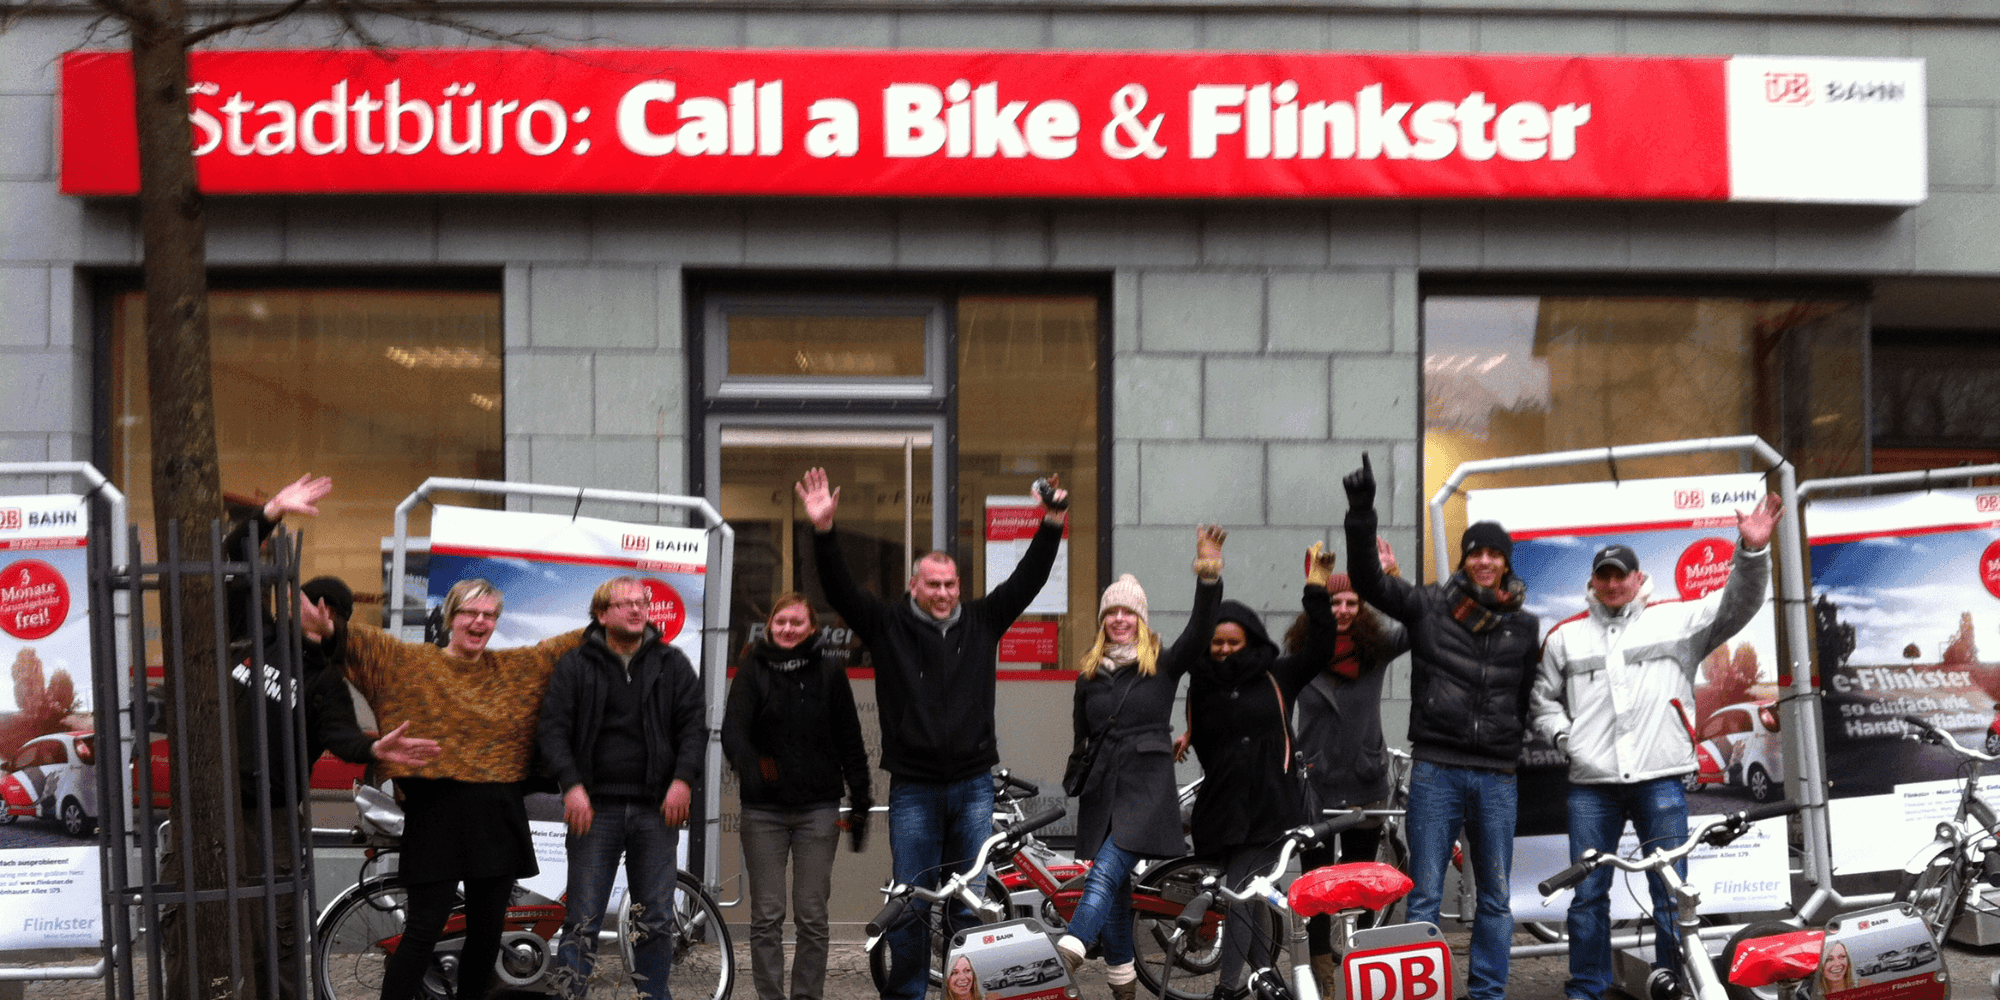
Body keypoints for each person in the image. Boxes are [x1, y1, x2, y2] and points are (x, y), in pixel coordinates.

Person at [793, 466, 1067, 1000]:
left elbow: (1029, 578)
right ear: (913, 586)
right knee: (911, 902)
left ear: (958, 587)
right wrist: (824, 531)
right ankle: (908, 994)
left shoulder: (984, 620)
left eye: (950, 584)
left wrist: (1052, 521)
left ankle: (969, 993)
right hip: (915, 788)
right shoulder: (887, 624)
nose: (942, 593)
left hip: (971, 786)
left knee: (971, 904)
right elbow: (841, 590)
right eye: (932, 584)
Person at [1530, 495, 1780, 1000]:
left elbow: (1738, 602)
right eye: (1605, 575)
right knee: (1588, 897)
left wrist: (1751, 553)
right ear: (1594, 581)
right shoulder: (1564, 638)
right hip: (1592, 787)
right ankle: (1587, 991)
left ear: (1639, 578)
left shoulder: (1678, 622)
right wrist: (1565, 738)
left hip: (1661, 779)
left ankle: (1675, 988)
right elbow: (1541, 703)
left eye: (1622, 574)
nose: (1613, 583)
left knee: (1672, 896)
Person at [222, 474, 442, 1000]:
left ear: (330, 618)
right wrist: (272, 510)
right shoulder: (258, 630)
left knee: (274, 926)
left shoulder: (326, 684)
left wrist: (372, 749)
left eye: (317, 604)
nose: (302, 604)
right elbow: (232, 565)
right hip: (210, 803)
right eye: (303, 596)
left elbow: (342, 736)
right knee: (208, 916)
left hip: (269, 813)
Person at [1341, 453, 1540, 1000]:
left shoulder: (1524, 626)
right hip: (1437, 771)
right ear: (1464, 558)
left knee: (1496, 897)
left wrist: (1511, 744)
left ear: (1505, 563)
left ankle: (1486, 994)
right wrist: (1362, 513)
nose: (1483, 561)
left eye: (1494, 554)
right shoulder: (1429, 605)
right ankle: (1418, 993)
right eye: (1475, 552)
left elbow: (1526, 695)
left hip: (1497, 775)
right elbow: (1368, 581)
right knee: (1425, 894)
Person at [339, 577, 587, 1000]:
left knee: (486, 937)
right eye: (470, 613)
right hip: (436, 817)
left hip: (497, 818)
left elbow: (567, 646)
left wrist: (618, 611)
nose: (479, 622)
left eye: (489, 615)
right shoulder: (408, 662)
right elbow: (342, 636)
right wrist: (323, 607)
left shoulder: (515, 669)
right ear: (450, 617)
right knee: (421, 933)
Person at [1053, 526, 1226, 999]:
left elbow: (1201, 629)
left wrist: (1208, 573)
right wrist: (1077, 778)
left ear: (1142, 619)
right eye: (1112, 612)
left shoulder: (1163, 665)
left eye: (1128, 612)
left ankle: (1071, 945)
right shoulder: (1088, 676)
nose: (1119, 619)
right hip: (1101, 793)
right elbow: (1081, 738)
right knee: (1116, 893)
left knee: (1104, 872)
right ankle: (1123, 984)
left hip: (1146, 790)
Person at [1181, 537, 1342, 995]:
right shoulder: (1202, 683)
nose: (1225, 650)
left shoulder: (1279, 675)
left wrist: (1317, 589)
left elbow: (1322, 647)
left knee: (1237, 894)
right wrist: (1188, 735)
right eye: (1217, 642)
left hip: (1271, 804)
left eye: (1234, 641)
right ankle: (1266, 981)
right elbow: (1213, 733)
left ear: (1249, 639)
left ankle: (1228, 989)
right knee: (1247, 901)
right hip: (1223, 806)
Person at [535, 576, 707, 1000]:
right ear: (601, 614)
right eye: (626, 603)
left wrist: (683, 781)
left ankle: (653, 996)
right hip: (594, 809)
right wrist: (571, 786)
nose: (637, 609)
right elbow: (553, 730)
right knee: (583, 919)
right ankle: (570, 995)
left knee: (654, 920)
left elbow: (693, 730)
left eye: (641, 602)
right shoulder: (575, 665)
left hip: (655, 810)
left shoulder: (672, 664)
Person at [721, 593, 873, 1000]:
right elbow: (734, 732)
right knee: (767, 916)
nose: (787, 629)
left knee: (812, 917)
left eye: (796, 623)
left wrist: (861, 804)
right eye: (780, 622)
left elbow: (850, 740)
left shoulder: (829, 671)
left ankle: (807, 996)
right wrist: (762, 771)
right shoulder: (753, 668)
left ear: (812, 630)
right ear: (770, 626)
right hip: (764, 813)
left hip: (818, 812)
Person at [1284, 539, 1410, 994]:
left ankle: (1361, 969)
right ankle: (1323, 978)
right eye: (1333, 600)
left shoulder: (1375, 650)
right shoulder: (1300, 654)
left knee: (1360, 886)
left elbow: (1417, 625)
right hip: (1315, 786)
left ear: (1362, 605)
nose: (1341, 609)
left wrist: (1392, 579)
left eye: (1351, 601)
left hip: (1365, 781)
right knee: (1318, 890)